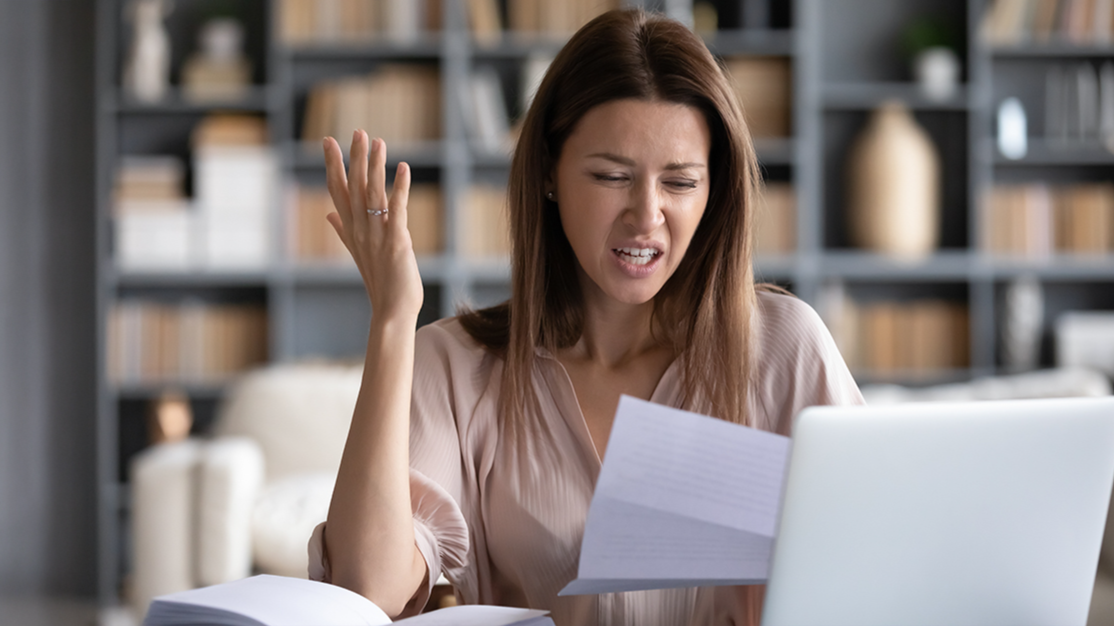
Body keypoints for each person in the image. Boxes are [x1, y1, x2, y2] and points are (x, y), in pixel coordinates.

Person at [308, 8, 863, 626]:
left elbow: (876, 567)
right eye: (611, 176)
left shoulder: (783, 347)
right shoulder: (457, 368)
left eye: (680, 183)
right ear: (549, 172)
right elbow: (367, 590)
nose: (646, 215)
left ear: (716, 191)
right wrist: (392, 317)